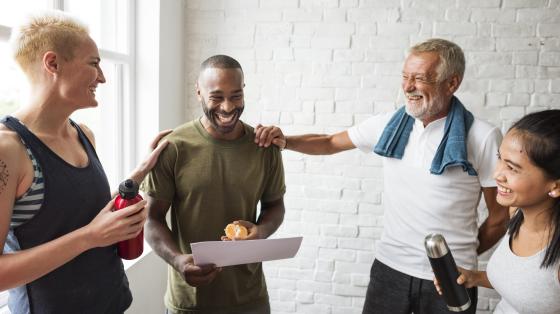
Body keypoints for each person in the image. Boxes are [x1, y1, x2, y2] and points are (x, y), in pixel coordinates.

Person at [255, 38, 509, 314]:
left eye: (420, 78)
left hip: (450, 278)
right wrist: (285, 141)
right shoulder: (390, 125)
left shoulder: (483, 137)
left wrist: (455, 260)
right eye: (405, 77)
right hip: (390, 270)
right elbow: (329, 142)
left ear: (452, 83)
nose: (408, 87)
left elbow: (499, 219)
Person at [0, 11, 170, 314]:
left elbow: (73, 212)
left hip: (112, 302)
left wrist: (137, 176)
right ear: (52, 64)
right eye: (94, 64)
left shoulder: (83, 135)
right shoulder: (8, 150)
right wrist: (91, 236)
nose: (102, 77)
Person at [143, 54, 286, 314]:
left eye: (236, 95)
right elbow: (152, 219)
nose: (228, 107)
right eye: (217, 97)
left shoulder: (264, 147)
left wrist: (261, 232)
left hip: (250, 300)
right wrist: (177, 261)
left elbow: (275, 206)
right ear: (198, 91)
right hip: (189, 303)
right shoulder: (174, 146)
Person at [435, 109, 560, 314]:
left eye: (512, 168)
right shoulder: (515, 214)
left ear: (555, 186)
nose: (496, 174)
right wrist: (474, 277)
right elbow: (529, 288)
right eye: (500, 158)